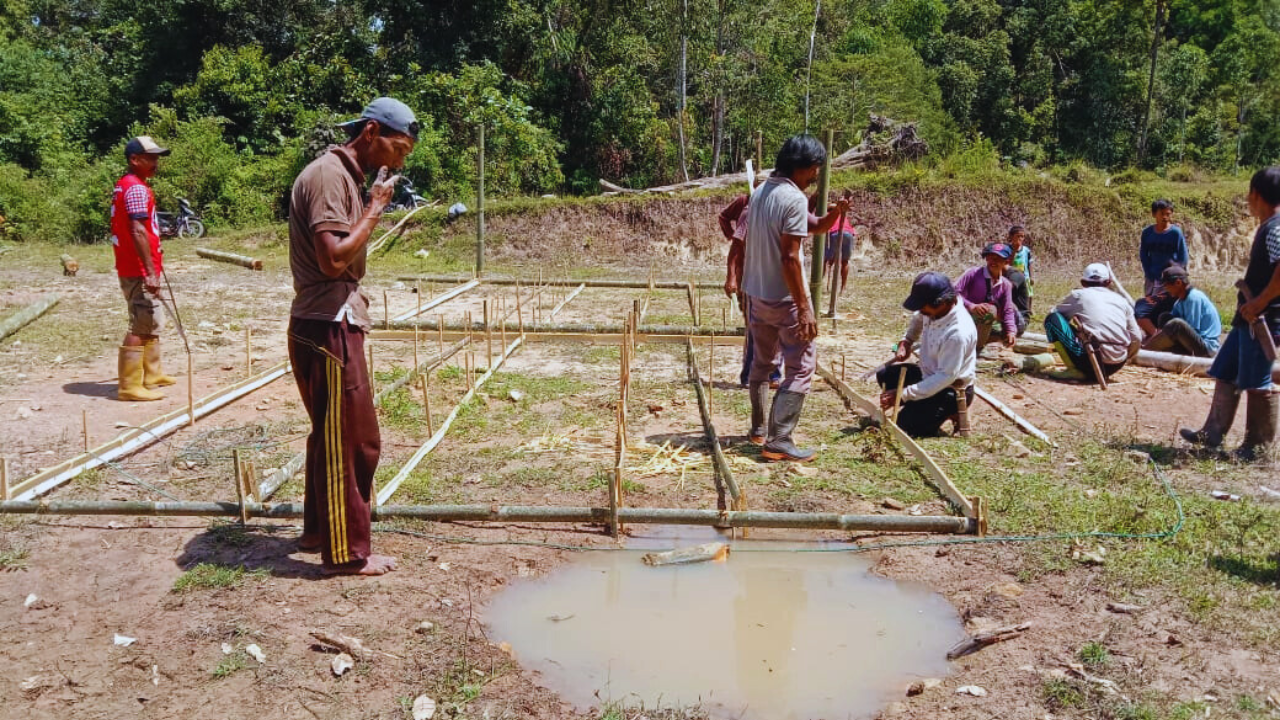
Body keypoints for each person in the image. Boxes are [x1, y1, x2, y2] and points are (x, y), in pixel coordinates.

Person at [287, 97, 417, 575]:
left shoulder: (342, 176)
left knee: (331, 434)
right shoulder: (329, 177)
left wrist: (368, 203)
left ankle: (320, 530)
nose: (401, 160)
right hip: (327, 325)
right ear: (370, 133)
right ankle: (345, 554)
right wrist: (376, 208)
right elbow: (333, 258)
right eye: (398, 148)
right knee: (354, 442)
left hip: (327, 319)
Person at [742, 135, 848, 461]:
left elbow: (812, 227)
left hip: (757, 295)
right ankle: (780, 440)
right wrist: (804, 308)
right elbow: (790, 257)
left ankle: (760, 431)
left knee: (762, 363)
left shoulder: (761, 191)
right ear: (805, 167)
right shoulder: (793, 199)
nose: (817, 173)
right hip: (786, 300)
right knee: (801, 369)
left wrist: (835, 214)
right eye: (816, 167)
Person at [1181, 168, 1280, 461]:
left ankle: (1257, 449)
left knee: (1258, 382)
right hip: (1247, 317)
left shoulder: (1275, 228)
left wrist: (1260, 302)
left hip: (1260, 318)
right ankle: (1212, 433)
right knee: (1225, 370)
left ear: (1255, 194)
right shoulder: (1270, 225)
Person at [110, 136, 177, 402]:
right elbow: (138, 229)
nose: (155, 162)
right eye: (150, 157)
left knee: (150, 317)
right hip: (138, 267)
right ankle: (129, 385)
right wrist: (149, 271)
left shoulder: (126, 186)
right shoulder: (136, 188)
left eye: (157, 157)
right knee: (141, 320)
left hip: (134, 264)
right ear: (134, 159)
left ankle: (152, 373)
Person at [878, 272, 977, 437]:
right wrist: (906, 341)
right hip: (927, 375)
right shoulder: (932, 311)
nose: (921, 311)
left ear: (942, 303)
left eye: (923, 307)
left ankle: (950, 412)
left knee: (904, 427)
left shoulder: (957, 333)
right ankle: (920, 408)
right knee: (885, 376)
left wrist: (904, 395)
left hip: (949, 388)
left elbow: (945, 376)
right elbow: (917, 318)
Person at [719, 195, 780, 388]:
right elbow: (736, 246)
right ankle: (750, 375)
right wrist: (731, 277)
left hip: (773, 279)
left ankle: (773, 374)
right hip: (750, 278)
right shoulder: (749, 212)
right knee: (755, 328)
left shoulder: (781, 211)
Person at [1043, 263, 1142, 382]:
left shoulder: (1079, 295)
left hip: (1089, 360)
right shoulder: (1121, 300)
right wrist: (1126, 357)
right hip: (1116, 364)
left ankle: (1074, 369)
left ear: (1083, 283)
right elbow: (1136, 337)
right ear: (1108, 282)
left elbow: (1054, 314)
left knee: (1052, 320)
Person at [1141, 264, 1221, 357]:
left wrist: (1151, 345)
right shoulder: (1179, 302)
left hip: (1206, 349)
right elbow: (1167, 328)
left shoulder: (1194, 298)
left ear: (1178, 283)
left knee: (1177, 325)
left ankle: (1145, 352)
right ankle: (1151, 350)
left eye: (1166, 286)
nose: (1166, 289)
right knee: (1165, 317)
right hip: (1191, 344)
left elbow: (1192, 330)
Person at [954, 242, 1020, 348]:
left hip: (984, 324)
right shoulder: (973, 274)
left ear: (1006, 262)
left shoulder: (1005, 284)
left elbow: (1008, 310)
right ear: (986, 259)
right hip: (962, 318)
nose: (993, 262)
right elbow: (952, 293)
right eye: (991, 258)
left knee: (1012, 310)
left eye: (998, 259)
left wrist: (1011, 331)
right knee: (990, 310)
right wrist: (971, 306)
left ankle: (977, 344)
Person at [1140, 199, 1189, 296]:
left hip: (1171, 276)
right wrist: (1148, 272)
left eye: (1168, 214)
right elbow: (1144, 255)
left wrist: (1178, 273)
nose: (1165, 217)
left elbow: (1183, 256)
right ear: (1154, 214)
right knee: (1151, 304)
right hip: (1153, 276)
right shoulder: (1147, 233)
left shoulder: (1176, 233)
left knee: (1171, 304)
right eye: (1162, 214)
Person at [822, 199, 856, 298]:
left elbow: (825, 232)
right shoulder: (843, 216)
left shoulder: (829, 217)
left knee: (825, 260)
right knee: (845, 261)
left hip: (835, 233)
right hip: (849, 234)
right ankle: (843, 288)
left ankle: (820, 282)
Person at [1005, 225, 1033, 328]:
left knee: (1029, 293)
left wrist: (1031, 276)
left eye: (1022, 236)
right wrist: (1013, 251)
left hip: (1024, 275)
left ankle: (1028, 309)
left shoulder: (1026, 250)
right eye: (1018, 236)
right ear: (1011, 237)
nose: (1020, 239)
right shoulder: (1008, 249)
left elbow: (1029, 262)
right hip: (1013, 276)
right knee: (1013, 294)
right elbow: (1008, 263)